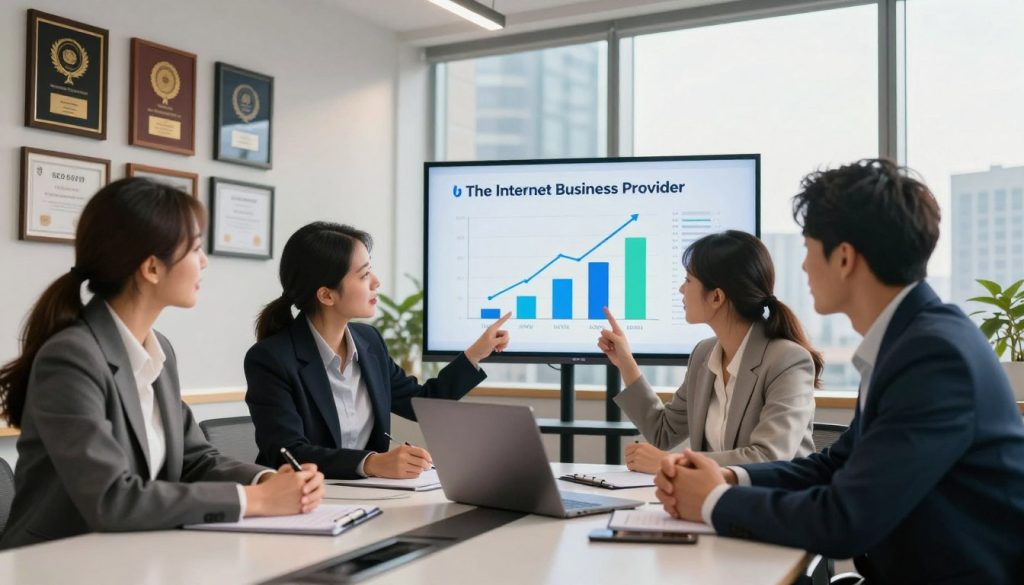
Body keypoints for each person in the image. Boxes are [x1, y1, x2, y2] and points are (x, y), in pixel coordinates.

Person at [655, 159, 1024, 584]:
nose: (804, 267)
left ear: (845, 257)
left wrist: (714, 502)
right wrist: (731, 476)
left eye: (809, 248)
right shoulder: (910, 340)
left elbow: (846, 520)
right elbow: (834, 465)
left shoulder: (933, 356)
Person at [0, 178, 324, 550]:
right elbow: (111, 499)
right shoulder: (71, 357)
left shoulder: (159, 350)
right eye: (196, 249)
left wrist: (265, 480)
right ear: (152, 268)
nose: (204, 262)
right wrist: (256, 502)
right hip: (53, 563)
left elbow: (195, 459)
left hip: (134, 555)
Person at [245, 222, 510, 480]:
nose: (376, 282)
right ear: (326, 295)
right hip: (301, 502)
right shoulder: (271, 359)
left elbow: (421, 403)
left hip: (370, 498)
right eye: (363, 275)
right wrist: (371, 463)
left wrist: (474, 354)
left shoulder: (368, 342)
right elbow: (288, 453)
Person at [598, 231, 821, 473]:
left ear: (716, 296)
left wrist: (672, 463)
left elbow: (768, 457)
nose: (681, 289)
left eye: (689, 280)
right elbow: (663, 432)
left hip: (775, 504)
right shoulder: (704, 354)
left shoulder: (787, 360)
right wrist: (625, 363)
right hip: (718, 501)